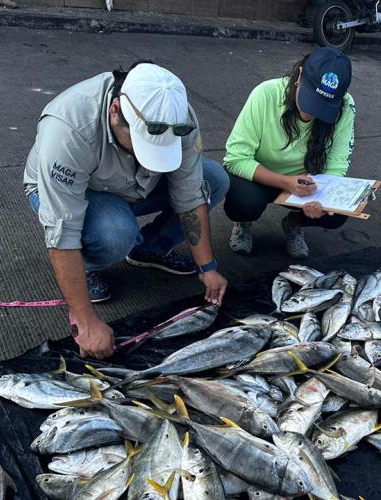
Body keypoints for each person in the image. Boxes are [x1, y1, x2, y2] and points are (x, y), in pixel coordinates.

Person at [23, 61, 230, 359]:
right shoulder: (68, 130)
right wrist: (86, 321)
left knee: (214, 179)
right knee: (115, 230)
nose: (150, 157)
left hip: (135, 185)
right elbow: (62, 229)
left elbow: (189, 195)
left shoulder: (178, 114)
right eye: (143, 143)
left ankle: (148, 249)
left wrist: (207, 268)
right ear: (115, 110)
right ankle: (89, 266)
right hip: (74, 191)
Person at [223, 47, 355, 259]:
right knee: (242, 203)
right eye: (310, 99)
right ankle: (243, 223)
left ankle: (295, 223)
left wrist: (325, 197)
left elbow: (337, 164)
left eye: (324, 106)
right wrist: (286, 182)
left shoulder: (346, 106)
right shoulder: (265, 93)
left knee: (338, 212)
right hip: (259, 176)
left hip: (306, 184)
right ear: (300, 75)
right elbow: (235, 159)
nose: (311, 113)